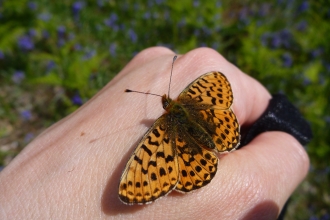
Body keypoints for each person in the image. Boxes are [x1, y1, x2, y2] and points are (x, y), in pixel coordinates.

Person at [0, 47, 309, 219]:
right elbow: (215, 80)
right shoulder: (191, 97)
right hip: (216, 124)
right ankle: (222, 142)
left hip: (190, 146)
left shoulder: (159, 132)